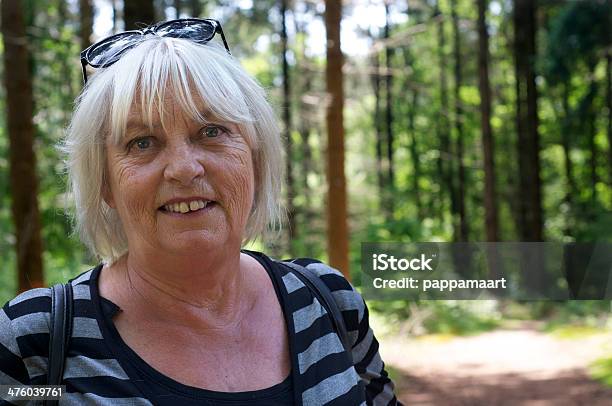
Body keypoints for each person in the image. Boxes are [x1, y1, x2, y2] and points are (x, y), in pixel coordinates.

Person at [0, 18, 400, 405]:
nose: (184, 168)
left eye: (211, 132)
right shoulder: (33, 344)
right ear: (104, 182)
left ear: (255, 158)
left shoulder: (329, 302)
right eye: (142, 142)